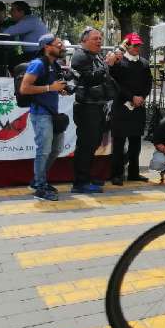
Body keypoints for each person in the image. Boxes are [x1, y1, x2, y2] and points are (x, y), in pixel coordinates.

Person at [19, 34, 68, 201]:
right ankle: (39, 187)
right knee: (44, 151)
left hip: (52, 114)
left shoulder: (55, 65)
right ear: (47, 47)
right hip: (40, 114)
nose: (62, 47)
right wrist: (50, 87)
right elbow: (24, 88)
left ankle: (38, 180)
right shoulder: (37, 64)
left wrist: (60, 89)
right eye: (58, 44)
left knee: (56, 149)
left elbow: (53, 87)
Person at [71, 28, 120, 193]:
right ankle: (80, 182)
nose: (99, 41)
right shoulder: (80, 56)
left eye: (100, 38)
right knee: (85, 145)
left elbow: (105, 77)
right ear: (84, 41)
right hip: (86, 106)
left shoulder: (96, 55)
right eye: (95, 39)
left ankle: (86, 177)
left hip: (98, 106)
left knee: (93, 144)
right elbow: (90, 79)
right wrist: (108, 64)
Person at [109, 33, 152, 185]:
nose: (137, 48)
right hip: (121, 107)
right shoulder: (119, 62)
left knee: (136, 143)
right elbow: (115, 84)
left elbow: (148, 84)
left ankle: (134, 172)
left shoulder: (145, 63)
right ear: (127, 45)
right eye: (134, 45)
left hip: (138, 108)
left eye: (139, 45)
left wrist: (142, 98)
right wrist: (131, 97)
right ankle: (117, 174)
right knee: (119, 144)